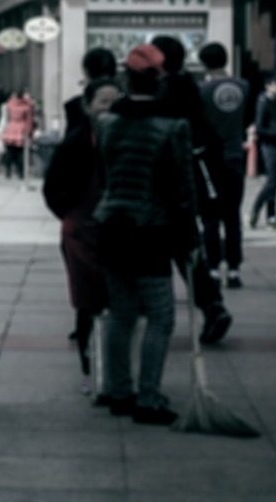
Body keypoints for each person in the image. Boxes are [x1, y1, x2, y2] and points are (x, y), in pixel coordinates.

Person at [92, 45, 198, 426]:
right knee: (160, 316)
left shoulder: (106, 123)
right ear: (160, 79)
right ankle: (148, 397)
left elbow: (102, 175)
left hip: (110, 228)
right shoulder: (174, 127)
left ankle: (119, 391)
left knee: (120, 314)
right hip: (150, 231)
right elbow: (184, 191)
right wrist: (190, 239)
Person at [148, 36, 232, 345]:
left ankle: (202, 307)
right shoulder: (189, 86)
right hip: (188, 182)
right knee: (187, 250)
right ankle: (213, 305)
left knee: (171, 250)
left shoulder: (166, 90)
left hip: (167, 184)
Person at [43, 76, 119, 396]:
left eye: (116, 102)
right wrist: (72, 215)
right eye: (103, 102)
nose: (110, 109)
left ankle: (118, 373)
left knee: (121, 303)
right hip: (82, 232)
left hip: (119, 231)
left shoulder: (127, 136)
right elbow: (52, 189)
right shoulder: (76, 141)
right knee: (88, 302)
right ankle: (92, 371)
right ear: (88, 107)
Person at [197, 42, 249, 289]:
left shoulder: (202, 90)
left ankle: (214, 268)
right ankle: (236, 269)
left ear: (204, 63)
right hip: (235, 159)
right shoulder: (244, 87)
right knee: (232, 217)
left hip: (209, 161)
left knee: (209, 218)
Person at [250, 72, 276, 229]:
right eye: (275, 84)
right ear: (268, 85)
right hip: (269, 145)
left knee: (275, 182)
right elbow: (259, 127)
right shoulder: (263, 101)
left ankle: (271, 216)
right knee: (272, 181)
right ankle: (253, 212)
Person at [0, 88, 36, 180]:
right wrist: (30, 132)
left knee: (10, 151)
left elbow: (6, 117)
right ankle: (21, 173)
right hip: (21, 128)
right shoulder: (27, 106)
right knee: (20, 153)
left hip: (11, 127)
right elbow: (29, 121)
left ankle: (8, 172)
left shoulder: (10, 104)